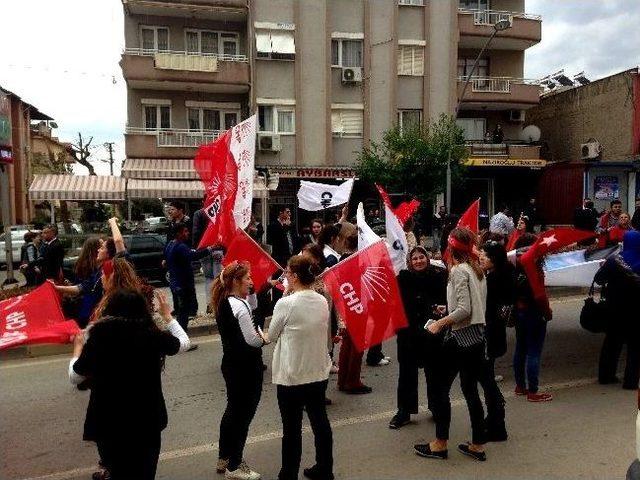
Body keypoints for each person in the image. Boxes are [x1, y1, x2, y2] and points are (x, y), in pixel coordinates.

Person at [68, 289, 191, 480]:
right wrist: (168, 316)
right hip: (146, 421)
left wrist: (77, 349)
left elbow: (75, 376)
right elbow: (183, 343)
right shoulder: (151, 335)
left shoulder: (99, 337)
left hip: (108, 423)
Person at [416, 227, 490, 462]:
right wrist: (447, 310)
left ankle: (440, 444)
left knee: (439, 390)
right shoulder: (477, 269)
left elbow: (465, 310)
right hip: (477, 337)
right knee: (470, 392)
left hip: (461, 338)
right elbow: (472, 306)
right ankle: (477, 444)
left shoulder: (459, 270)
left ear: (451, 248)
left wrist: (441, 323)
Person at [267, 255, 334, 480]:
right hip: (317, 370)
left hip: (292, 374)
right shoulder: (321, 299)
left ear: (294, 276)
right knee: (320, 421)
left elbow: (272, 334)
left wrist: (286, 294)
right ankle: (325, 468)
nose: (285, 275)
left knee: (292, 429)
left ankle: (288, 474)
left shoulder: (286, 302)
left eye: (287, 272)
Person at [211, 262, 266, 480]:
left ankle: (224, 457)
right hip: (246, 366)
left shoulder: (225, 302)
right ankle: (235, 464)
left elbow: (249, 314)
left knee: (233, 411)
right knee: (243, 415)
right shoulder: (237, 305)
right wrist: (265, 339)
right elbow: (252, 339)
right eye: (248, 278)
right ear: (235, 281)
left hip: (231, 363)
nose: (252, 282)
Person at [389, 246, 447, 429]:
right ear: (409, 262)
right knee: (407, 374)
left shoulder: (439, 276)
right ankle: (404, 412)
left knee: (434, 373)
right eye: (414, 259)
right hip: (408, 335)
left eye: (421, 257)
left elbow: (447, 300)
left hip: (432, 333)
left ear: (427, 259)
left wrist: (440, 308)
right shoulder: (402, 279)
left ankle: (437, 408)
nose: (419, 261)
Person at [594, 230, 640, 390]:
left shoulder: (614, 260)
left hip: (614, 309)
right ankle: (631, 381)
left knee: (612, 343)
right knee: (635, 347)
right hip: (636, 310)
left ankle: (605, 376)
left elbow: (599, 279)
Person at [478, 241, 514, 440]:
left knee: (487, 380)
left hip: (490, 335)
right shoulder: (501, 273)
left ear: (495, 258)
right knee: (487, 378)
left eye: (485, 254)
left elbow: (492, 309)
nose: (481, 257)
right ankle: (494, 419)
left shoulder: (497, 278)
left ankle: (497, 425)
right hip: (494, 333)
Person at [512, 233, 553, 402]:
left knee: (520, 348)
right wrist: (547, 313)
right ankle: (533, 391)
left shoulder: (514, 265)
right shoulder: (533, 266)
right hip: (534, 312)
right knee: (534, 352)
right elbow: (540, 295)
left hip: (519, 311)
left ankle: (520, 386)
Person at [164, 224, 215, 349]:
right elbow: (193, 256)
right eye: (185, 231)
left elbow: (166, 260)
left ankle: (178, 338)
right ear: (178, 233)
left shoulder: (170, 244)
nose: (187, 233)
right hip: (183, 284)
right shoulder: (180, 246)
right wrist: (209, 249)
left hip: (175, 284)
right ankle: (182, 341)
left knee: (181, 312)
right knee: (183, 314)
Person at [337, 235, 372, 395]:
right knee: (357, 345)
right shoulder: (356, 261)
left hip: (348, 304)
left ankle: (343, 379)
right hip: (356, 305)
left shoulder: (342, 260)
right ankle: (353, 381)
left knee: (347, 345)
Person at [192, 205, 226, 312]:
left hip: (204, 249)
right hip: (218, 248)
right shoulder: (221, 212)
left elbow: (196, 232)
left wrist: (196, 248)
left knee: (208, 277)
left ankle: (209, 304)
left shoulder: (199, 213)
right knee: (218, 277)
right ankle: (218, 303)